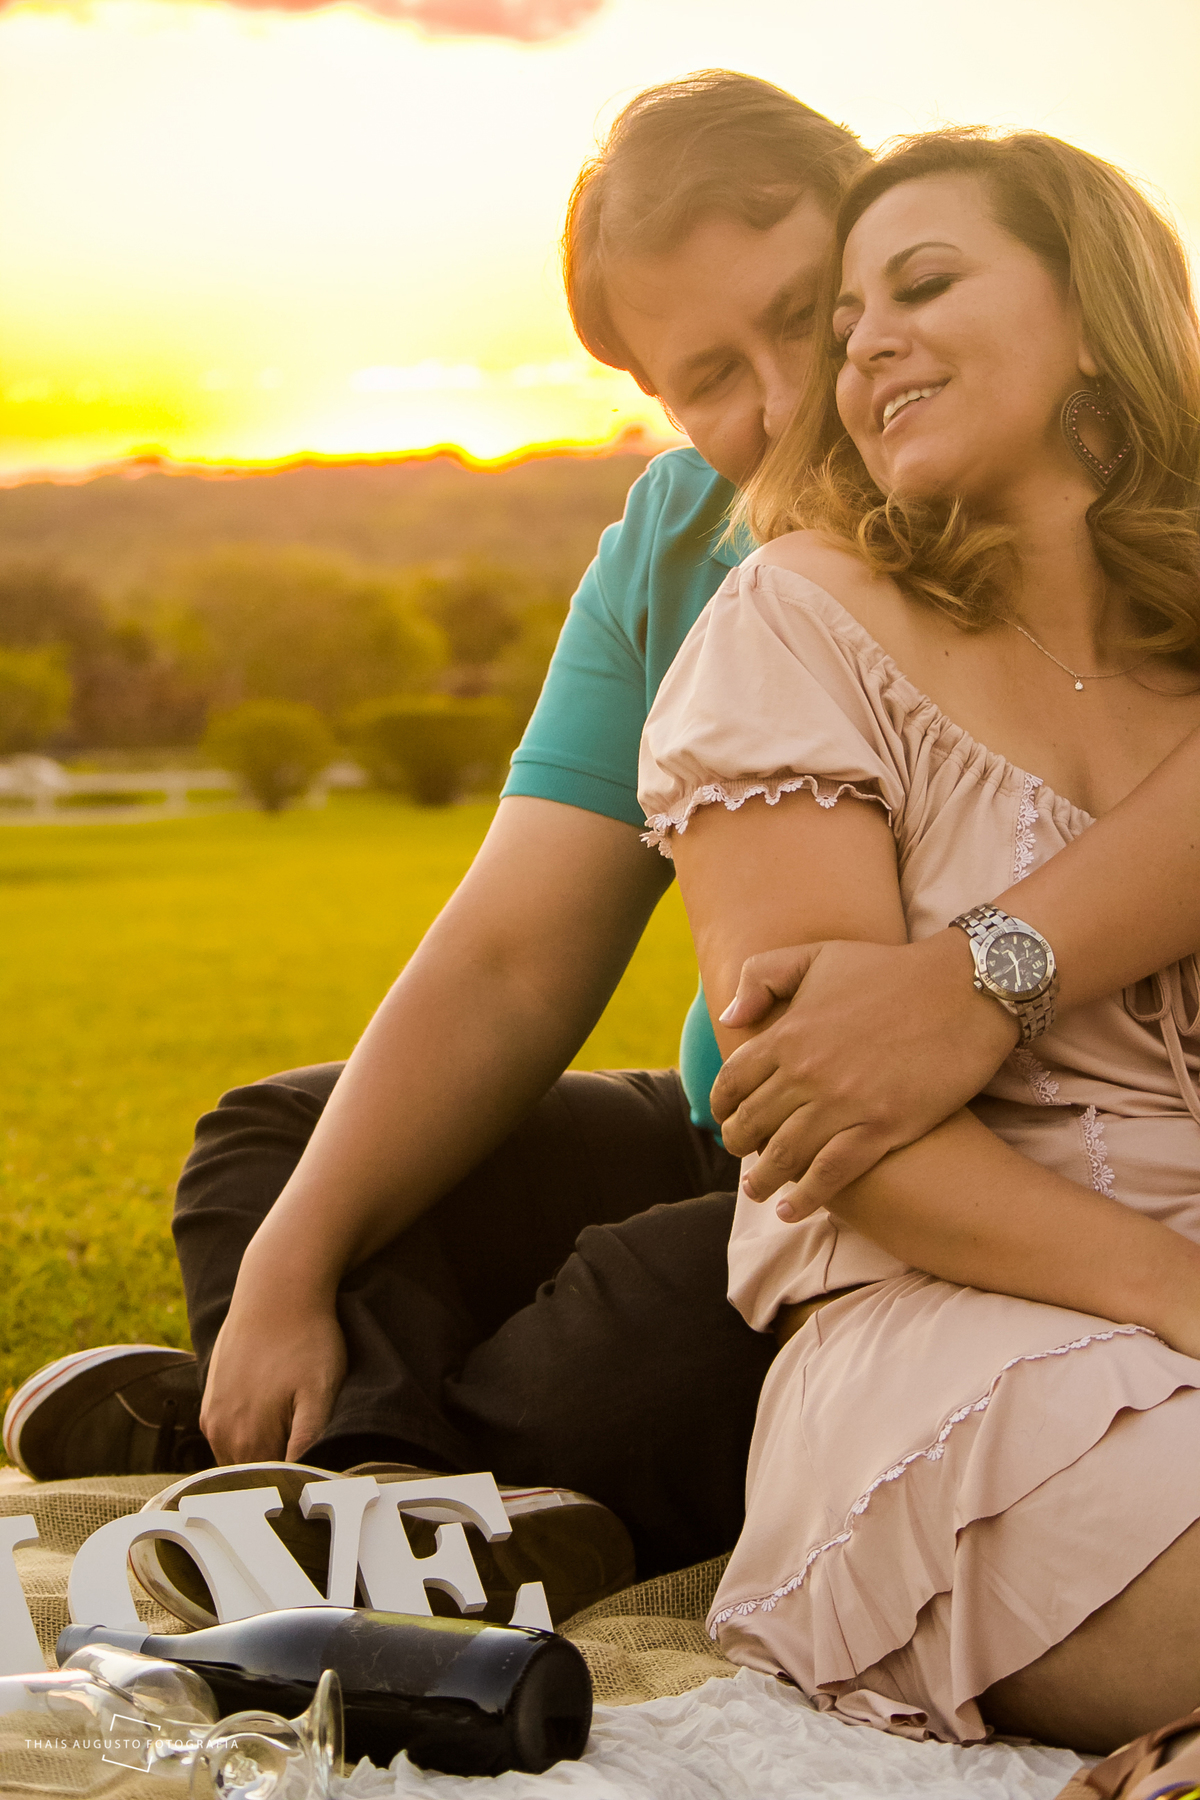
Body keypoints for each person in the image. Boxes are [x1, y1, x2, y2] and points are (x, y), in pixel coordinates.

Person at [3, 72, 866, 1578]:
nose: (784, 404)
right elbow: (517, 958)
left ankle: (270, 1478)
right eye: (712, 375)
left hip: (879, 1179)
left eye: (804, 315)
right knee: (283, 1153)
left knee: (628, 1345)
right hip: (718, 1128)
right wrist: (292, 1263)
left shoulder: (1028, 493)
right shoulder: (673, 539)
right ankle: (375, 1497)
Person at [638, 125, 1200, 1753]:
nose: (863, 340)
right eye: (848, 317)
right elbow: (837, 1129)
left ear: (1096, 317)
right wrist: (1176, 1291)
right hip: (962, 1343)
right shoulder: (797, 621)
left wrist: (978, 984)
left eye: (925, 284)